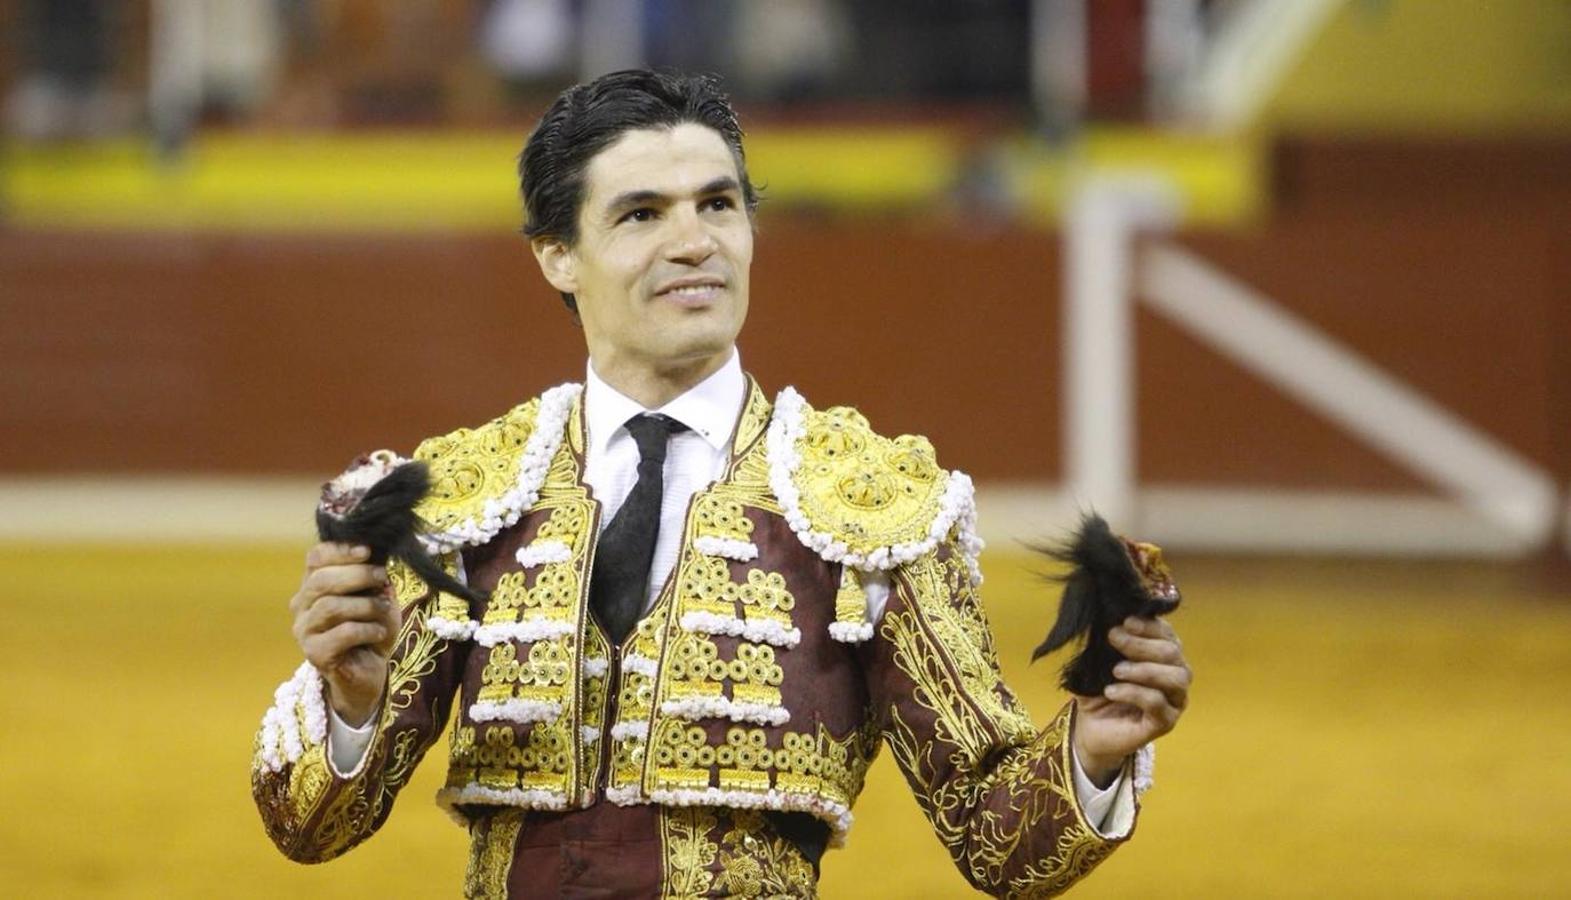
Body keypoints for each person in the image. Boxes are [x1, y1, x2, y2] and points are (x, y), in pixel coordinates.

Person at [251, 69, 1191, 898]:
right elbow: (311, 829)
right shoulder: (466, 496)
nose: (694, 241)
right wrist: (353, 709)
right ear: (556, 255)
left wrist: (1092, 750)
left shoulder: (865, 504)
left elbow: (994, 839)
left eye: (719, 204)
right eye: (641, 214)